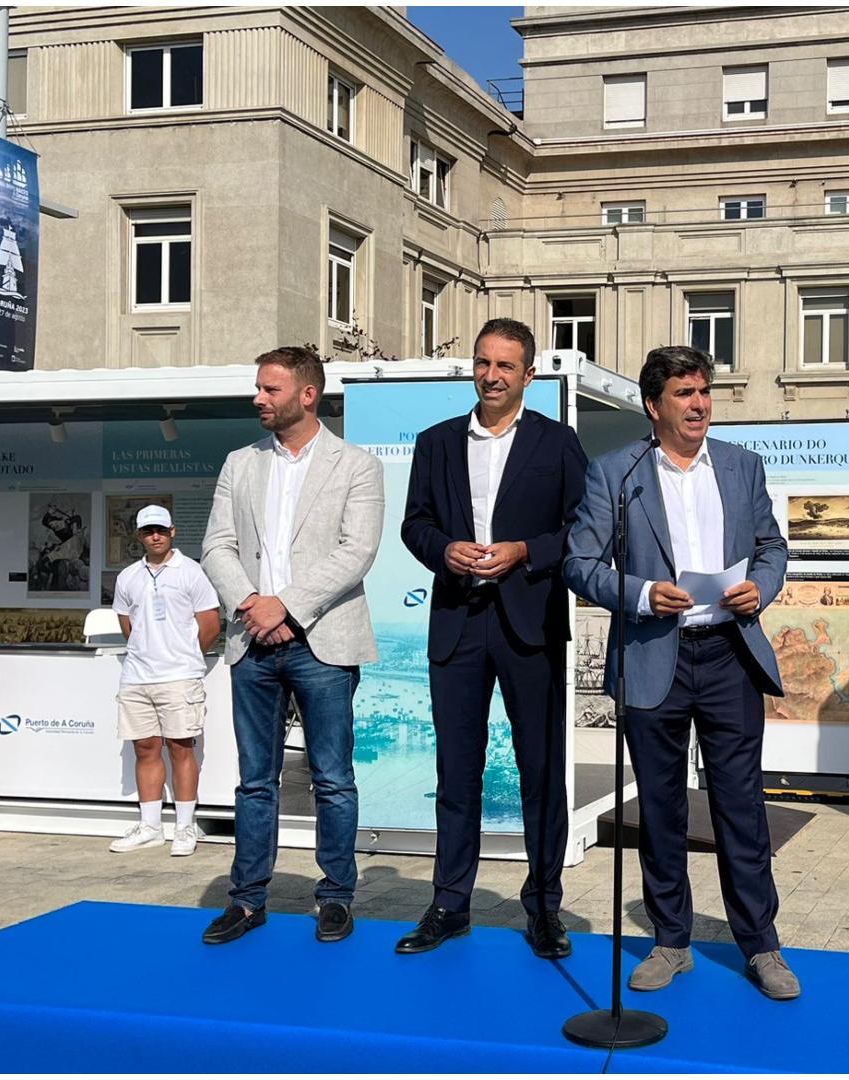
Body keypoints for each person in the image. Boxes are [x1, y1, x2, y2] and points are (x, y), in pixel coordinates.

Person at [563, 345, 800, 1001]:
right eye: (684, 394)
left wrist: (760, 585)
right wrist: (639, 593)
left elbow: (772, 547)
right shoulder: (618, 472)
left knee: (741, 810)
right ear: (653, 405)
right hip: (653, 654)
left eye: (703, 392)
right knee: (662, 810)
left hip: (728, 654)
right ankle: (672, 942)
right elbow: (579, 562)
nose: (699, 405)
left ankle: (762, 946)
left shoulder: (741, 466)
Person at [397, 318, 589, 959]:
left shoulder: (558, 444)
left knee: (540, 772)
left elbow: (584, 531)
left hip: (530, 625)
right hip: (456, 623)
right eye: (483, 362)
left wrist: (525, 551)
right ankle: (450, 905)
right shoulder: (436, 443)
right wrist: (443, 549)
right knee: (457, 774)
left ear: (528, 375)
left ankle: (543, 907)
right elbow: (414, 523)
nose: (492, 375)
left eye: (506, 365)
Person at [198, 345, 385, 946]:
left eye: (270, 389)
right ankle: (248, 899)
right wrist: (254, 606)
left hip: (322, 641)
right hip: (252, 640)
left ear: (307, 394)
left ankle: (334, 897)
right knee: (256, 781)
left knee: (332, 777)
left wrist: (289, 606)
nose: (258, 398)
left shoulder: (355, 464)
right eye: (258, 387)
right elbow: (216, 546)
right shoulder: (239, 463)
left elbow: (356, 552)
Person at [107, 504, 223, 857]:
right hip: (138, 676)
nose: (154, 536)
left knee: (181, 748)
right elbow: (127, 625)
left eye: (159, 529)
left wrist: (185, 656)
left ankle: (185, 827)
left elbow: (210, 624)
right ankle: (151, 826)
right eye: (147, 531)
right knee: (144, 748)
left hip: (179, 676)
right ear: (139, 535)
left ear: (172, 531)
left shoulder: (192, 572)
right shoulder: (128, 576)